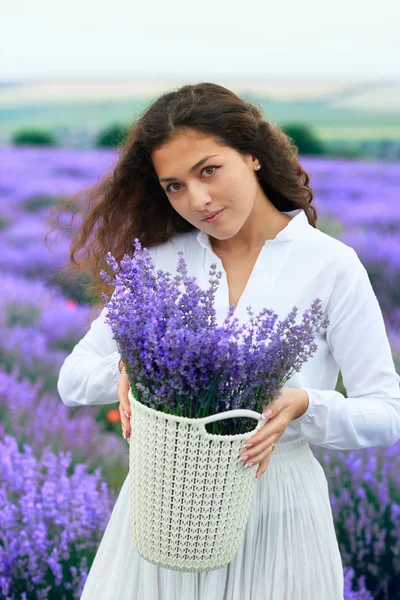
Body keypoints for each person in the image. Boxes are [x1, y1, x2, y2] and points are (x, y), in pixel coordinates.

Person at [56, 82, 400, 600]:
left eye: (208, 170)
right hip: (163, 511)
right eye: (174, 186)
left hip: (280, 516)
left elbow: (387, 412)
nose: (198, 199)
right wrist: (134, 369)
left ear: (253, 155)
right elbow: (72, 380)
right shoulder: (160, 263)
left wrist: (305, 405)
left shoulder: (330, 266)